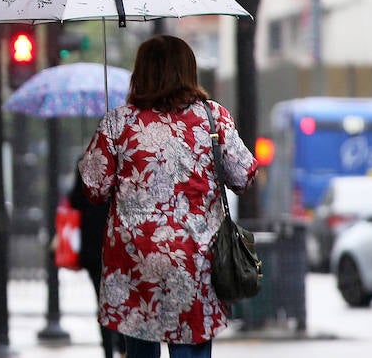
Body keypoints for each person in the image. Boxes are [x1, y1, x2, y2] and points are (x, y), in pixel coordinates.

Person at [77, 35, 259, 358]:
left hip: (135, 261)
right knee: (191, 348)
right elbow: (244, 176)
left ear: (140, 72)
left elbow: (94, 188)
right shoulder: (213, 118)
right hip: (196, 260)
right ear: (188, 71)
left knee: (139, 347)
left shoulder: (120, 122)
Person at [68, 177, 127, 358]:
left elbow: (75, 200)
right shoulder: (122, 159)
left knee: (103, 302)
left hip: (95, 246)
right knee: (124, 300)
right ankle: (123, 346)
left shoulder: (87, 162)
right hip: (119, 242)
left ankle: (109, 350)